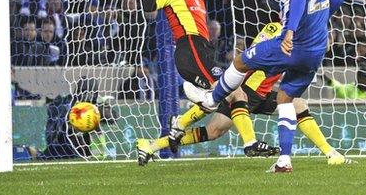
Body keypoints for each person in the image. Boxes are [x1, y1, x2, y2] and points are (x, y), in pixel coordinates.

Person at [183, 0, 350, 172]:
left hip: (292, 45)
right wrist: (320, 20)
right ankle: (284, 161)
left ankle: (210, 99)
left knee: (240, 61)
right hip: (316, 49)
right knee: (285, 99)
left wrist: (290, 31)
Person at [136, 23, 351, 166]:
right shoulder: (276, 29)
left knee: (298, 104)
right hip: (246, 89)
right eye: (326, 35)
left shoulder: (305, 48)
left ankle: (330, 153)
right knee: (214, 130)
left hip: (263, 93)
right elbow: (253, 56)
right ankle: (156, 141)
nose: (326, 41)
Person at [142, 0, 275, 157]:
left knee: (230, 94)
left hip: (203, 50)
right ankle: (247, 142)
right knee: (230, 92)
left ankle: (182, 121)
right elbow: (148, 6)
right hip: (190, 47)